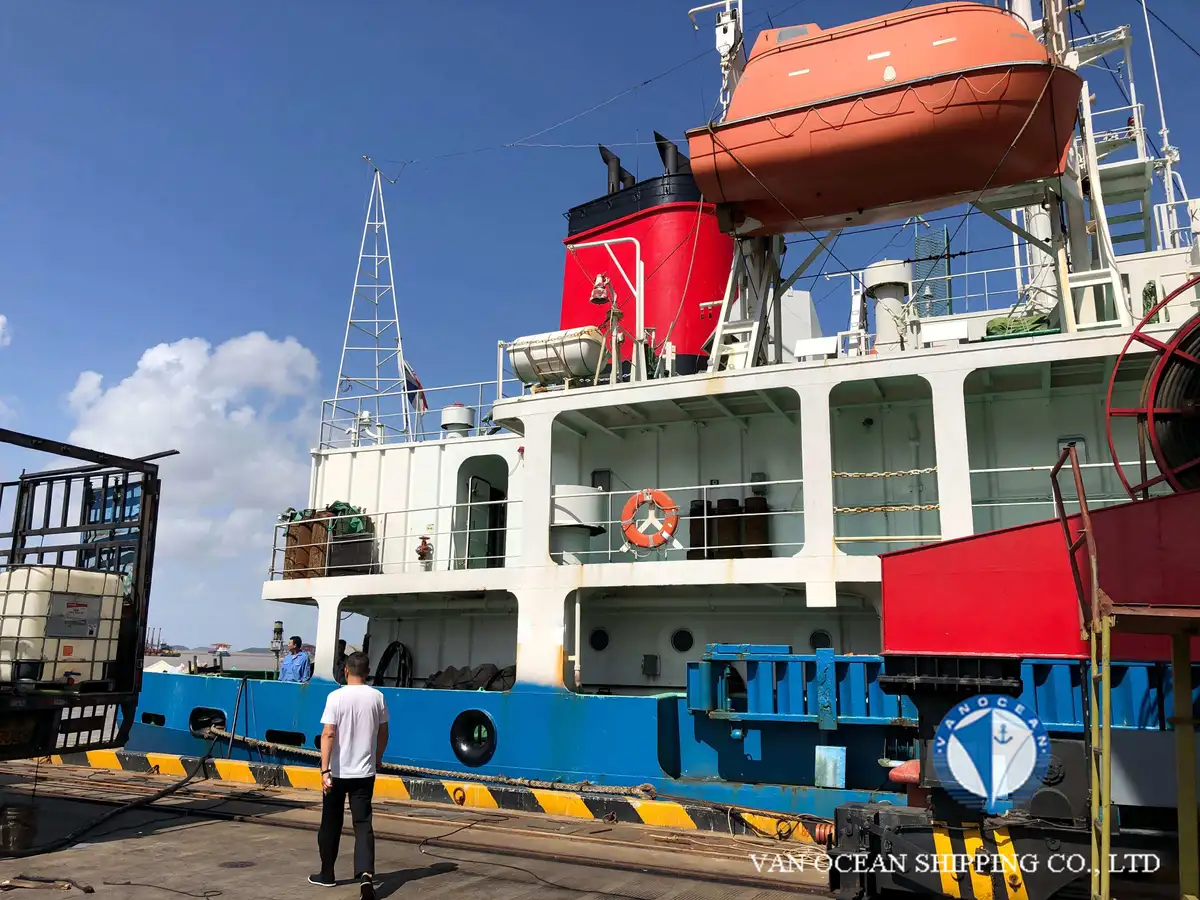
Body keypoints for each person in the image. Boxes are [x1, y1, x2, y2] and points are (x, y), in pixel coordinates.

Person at [310, 652, 389, 898]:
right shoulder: (377, 697)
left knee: (330, 822)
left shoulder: (335, 697)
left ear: (345, 671)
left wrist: (324, 769)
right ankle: (366, 878)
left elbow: (328, 733)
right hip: (364, 772)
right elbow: (383, 733)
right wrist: (377, 758)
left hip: (337, 772)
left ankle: (327, 874)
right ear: (368, 672)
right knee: (363, 824)